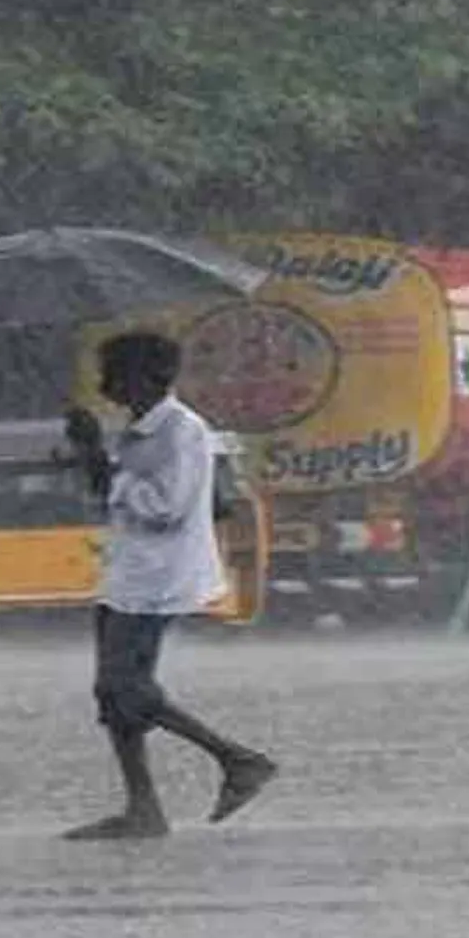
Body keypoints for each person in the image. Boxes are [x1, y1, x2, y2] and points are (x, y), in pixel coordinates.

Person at [61, 330, 278, 840]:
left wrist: (111, 472)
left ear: (147, 378)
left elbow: (167, 507)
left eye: (113, 373)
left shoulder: (182, 431)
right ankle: (143, 808)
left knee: (127, 686)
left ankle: (237, 759)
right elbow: (112, 493)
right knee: (111, 695)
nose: (104, 383)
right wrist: (89, 450)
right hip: (128, 570)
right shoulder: (137, 428)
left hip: (159, 575)